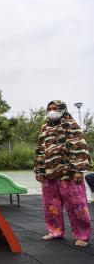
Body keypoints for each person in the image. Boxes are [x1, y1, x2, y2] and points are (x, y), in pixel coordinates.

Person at [34, 100, 92, 247]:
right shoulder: (45, 127)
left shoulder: (72, 125)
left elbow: (80, 148)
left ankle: (82, 236)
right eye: (49, 108)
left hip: (69, 173)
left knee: (76, 205)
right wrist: (39, 170)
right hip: (49, 173)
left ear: (62, 109)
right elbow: (40, 150)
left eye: (55, 108)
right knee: (51, 205)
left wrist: (78, 170)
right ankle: (55, 231)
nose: (52, 111)